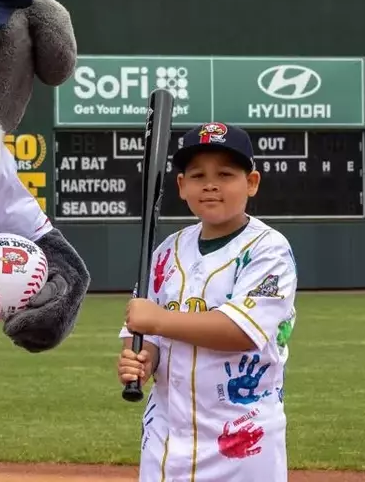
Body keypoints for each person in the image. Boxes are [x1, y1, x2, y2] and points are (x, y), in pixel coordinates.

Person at [117, 121, 298, 482]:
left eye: (226, 174)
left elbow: (241, 331)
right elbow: (142, 332)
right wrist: (140, 359)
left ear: (251, 183)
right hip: (166, 435)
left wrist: (156, 321)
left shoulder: (269, 249)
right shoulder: (166, 251)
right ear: (182, 187)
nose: (211, 184)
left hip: (243, 438)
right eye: (198, 175)